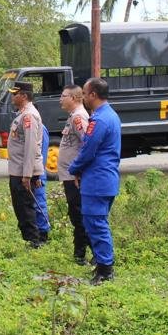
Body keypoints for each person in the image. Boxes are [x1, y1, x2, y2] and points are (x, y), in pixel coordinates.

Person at [68, 78, 122, 284]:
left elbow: (87, 150)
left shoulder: (99, 120)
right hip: (104, 179)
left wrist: (74, 168)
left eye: (84, 92)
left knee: (96, 225)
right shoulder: (111, 115)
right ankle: (102, 265)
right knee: (97, 224)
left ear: (93, 95)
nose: (82, 96)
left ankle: (105, 271)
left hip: (97, 181)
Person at [6, 81, 46, 247]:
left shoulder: (29, 115)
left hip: (23, 171)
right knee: (20, 207)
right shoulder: (22, 114)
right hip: (18, 169)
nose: (12, 97)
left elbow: (30, 146)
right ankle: (29, 240)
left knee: (25, 208)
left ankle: (33, 241)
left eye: (15, 94)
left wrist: (27, 175)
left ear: (23, 95)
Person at [57, 85, 91, 265]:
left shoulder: (79, 117)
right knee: (76, 214)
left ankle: (83, 254)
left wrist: (78, 170)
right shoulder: (73, 116)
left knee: (79, 215)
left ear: (75, 98)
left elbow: (88, 143)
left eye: (64, 96)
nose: (60, 99)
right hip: (70, 176)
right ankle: (81, 252)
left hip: (76, 177)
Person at [33, 123, 52, 242]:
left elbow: (42, 154)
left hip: (37, 173)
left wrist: (39, 174)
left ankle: (43, 233)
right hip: (31, 171)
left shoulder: (40, 128)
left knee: (39, 202)